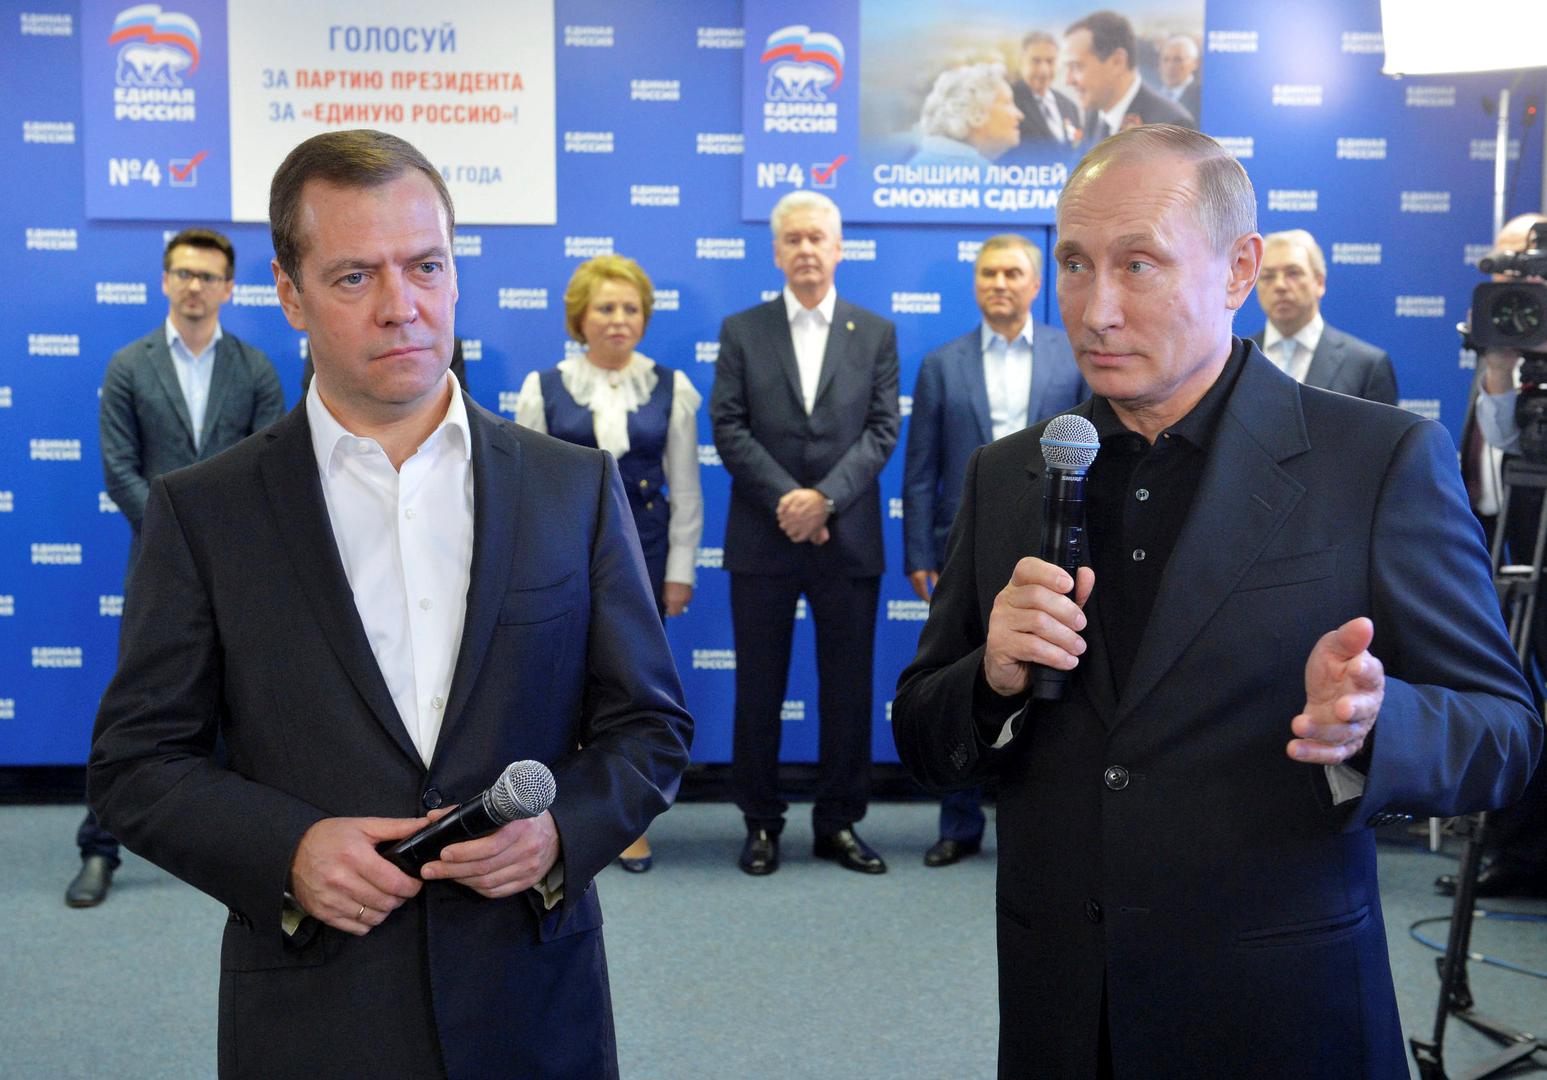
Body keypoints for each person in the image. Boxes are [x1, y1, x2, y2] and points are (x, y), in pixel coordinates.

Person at [892, 124, 1540, 1078]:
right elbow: (921, 731)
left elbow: (1505, 733)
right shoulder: (1009, 474)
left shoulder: (1374, 461)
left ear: (1238, 270)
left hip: (1279, 1014)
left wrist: (1373, 725)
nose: (1096, 309)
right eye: (1072, 263)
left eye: (1138, 264)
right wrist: (989, 682)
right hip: (1064, 1019)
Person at [88, 129, 692, 1080]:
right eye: (354, 276)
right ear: (290, 294)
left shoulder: (570, 487)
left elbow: (648, 727)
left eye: (425, 266)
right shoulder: (204, 512)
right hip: (316, 1010)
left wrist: (559, 833)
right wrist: (286, 850)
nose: (401, 306)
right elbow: (137, 764)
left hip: (531, 1004)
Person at [73, 228, 285, 908]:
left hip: (241, 569)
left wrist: (214, 544)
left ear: (229, 288)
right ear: (165, 281)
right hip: (156, 567)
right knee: (136, 711)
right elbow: (120, 471)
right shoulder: (128, 367)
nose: (196, 286)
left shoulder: (255, 369)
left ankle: (250, 849)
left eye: (209, 276)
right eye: (184, 274)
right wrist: (178, 540)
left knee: (249, 708)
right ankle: (98, 849)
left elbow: (267, 470)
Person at [711, 190, 900, 876]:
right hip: (762, 538)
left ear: (839, 248)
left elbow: (882, 430)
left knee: (847, 690)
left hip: (847, 541)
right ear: (776, 252)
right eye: (793, 239)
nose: (806, 250)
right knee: (758, 689)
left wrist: (824, 500)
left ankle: (838, 823)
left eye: (818, 238)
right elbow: (728, 425)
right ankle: (760, 823)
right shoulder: (742, 330)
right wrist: (789, 501)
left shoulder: (874, 332)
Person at [515, 253, 704, 873]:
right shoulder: (543, 388)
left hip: (645, 553)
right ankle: (562, 819)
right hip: (560, 554)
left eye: (630, 308)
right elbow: (525, 492)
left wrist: (679, 570)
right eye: (605, 308)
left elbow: (686, 488)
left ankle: (627, 820)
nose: (619, 319)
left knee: (634, 692)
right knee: (564, 687)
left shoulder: (672, 388)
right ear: (580, 318)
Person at [903, 234, 1085, 866]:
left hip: (1054, 546)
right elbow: (920, 469)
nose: (999, 283)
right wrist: (918, 552)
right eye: (988, 274)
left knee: (1047, 681)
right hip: (966, 544)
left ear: (1035, 285)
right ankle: (958, 825)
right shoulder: (941, 363)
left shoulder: (1073, 355)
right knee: (965, 670)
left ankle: (1036, 822)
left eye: (1012, 273)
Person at [1440, 211, 1547, 899]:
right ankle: (1519, 853)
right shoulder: (1509, 335)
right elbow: (1503, 438)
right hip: (1511, 545)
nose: (1516, 279)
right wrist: (1501, 365)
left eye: (1526, 268)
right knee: (1516, 696)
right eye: (1505, 266)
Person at [1247, 229, 1398, 405]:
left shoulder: (1367, 365)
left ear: (1319, 283)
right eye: (1267, 276)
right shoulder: (1237, 357)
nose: (1279, 285)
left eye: (1293, 273)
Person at [1063, 11, 1196, 147]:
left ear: (1117, 62)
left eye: (1077, 66)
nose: (1068, 80)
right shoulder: (1094, 114)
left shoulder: (1171, 126)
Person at [909, 62, 1023, 166]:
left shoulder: (923, 161)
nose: (1020, 115)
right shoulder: (979, 173)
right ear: (975, 111)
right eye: (1007, 103)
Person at [1011, 31, 1082, 148]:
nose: (1044, 70)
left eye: (1050, 61)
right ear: (1021, 62)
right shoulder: (1009, 103)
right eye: (1036, 61)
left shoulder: (1069, 107)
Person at [1158, 34, 1201, 123]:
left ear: (1195, 63)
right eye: (1165, 59)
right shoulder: (1152, 94)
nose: (1170, 66)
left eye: (1178, 60)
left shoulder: (1202, 98)